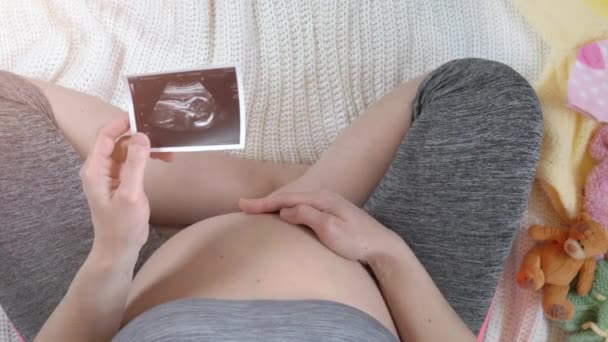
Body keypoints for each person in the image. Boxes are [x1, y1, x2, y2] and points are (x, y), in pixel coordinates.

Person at [0, 58, 542, 342]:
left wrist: (113, 252)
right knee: (485, 95)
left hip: (119, 292)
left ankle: (271, 189)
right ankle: (305, 190)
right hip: (387, 286)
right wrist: (388, 253)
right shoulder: (384, 257)